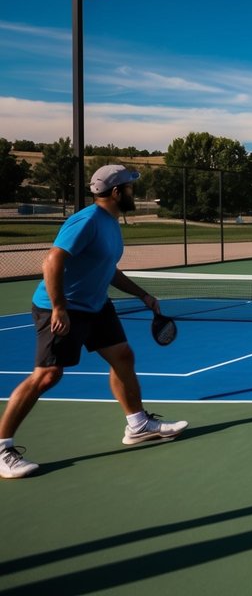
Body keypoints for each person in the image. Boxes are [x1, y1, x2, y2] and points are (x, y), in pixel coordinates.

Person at [1, 165, 187, 480]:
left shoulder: (112, 223)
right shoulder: (87, 220)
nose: (134, 192)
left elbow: (108, 269)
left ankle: (138, 425)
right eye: (130, 187)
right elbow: (52, 260)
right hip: (62, 307)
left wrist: (143, 295)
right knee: (47, 376)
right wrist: (59, 307)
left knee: (123, 357)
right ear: (116, 192)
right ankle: (2, 447)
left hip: (96, 304)